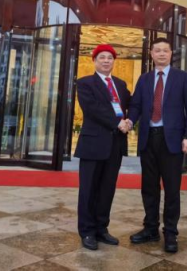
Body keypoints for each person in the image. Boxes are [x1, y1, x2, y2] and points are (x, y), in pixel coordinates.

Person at [127, 37, 187, 253]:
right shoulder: (144, 79)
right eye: (157, 50)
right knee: (149, 187)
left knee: (172, 189)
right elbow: (136, 105)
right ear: (151, 53)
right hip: (148, 138)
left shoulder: (183, 78)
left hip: (173, 140)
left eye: (165, 50)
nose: (161, 54)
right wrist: (129, 121)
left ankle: (170, 233)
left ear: (170, 53)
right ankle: (150, 228)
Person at [75, 44, 131, 250]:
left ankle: (101, 228)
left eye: (110, 58)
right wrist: (117, 122)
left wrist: (130, 121)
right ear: (94, 61)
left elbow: (131, 104)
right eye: (102, 57)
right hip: (93, 143)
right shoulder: (85, 83)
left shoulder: (121, 84)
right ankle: (87, 231)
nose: (106, 61)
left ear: (114, 61)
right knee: (88, 189)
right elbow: (92, 109)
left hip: (115, 144)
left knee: (107, 188)